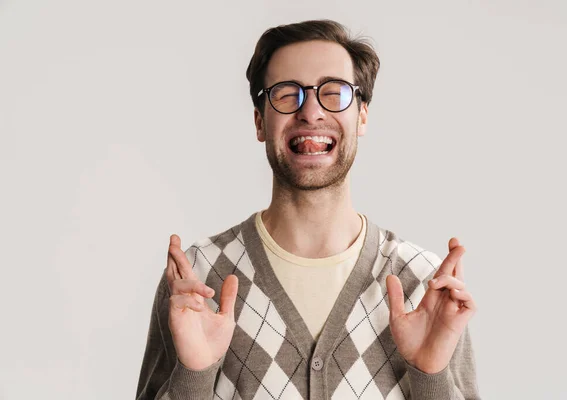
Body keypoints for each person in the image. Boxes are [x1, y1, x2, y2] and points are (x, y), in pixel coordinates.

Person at [136, 19, 480, 400]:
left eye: (334, 93)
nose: (311, 112)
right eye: (287, 94)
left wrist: (430, 376)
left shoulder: (423, 283)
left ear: (362, 115)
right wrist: (193, 375)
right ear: (259, 121)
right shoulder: (197, 278)